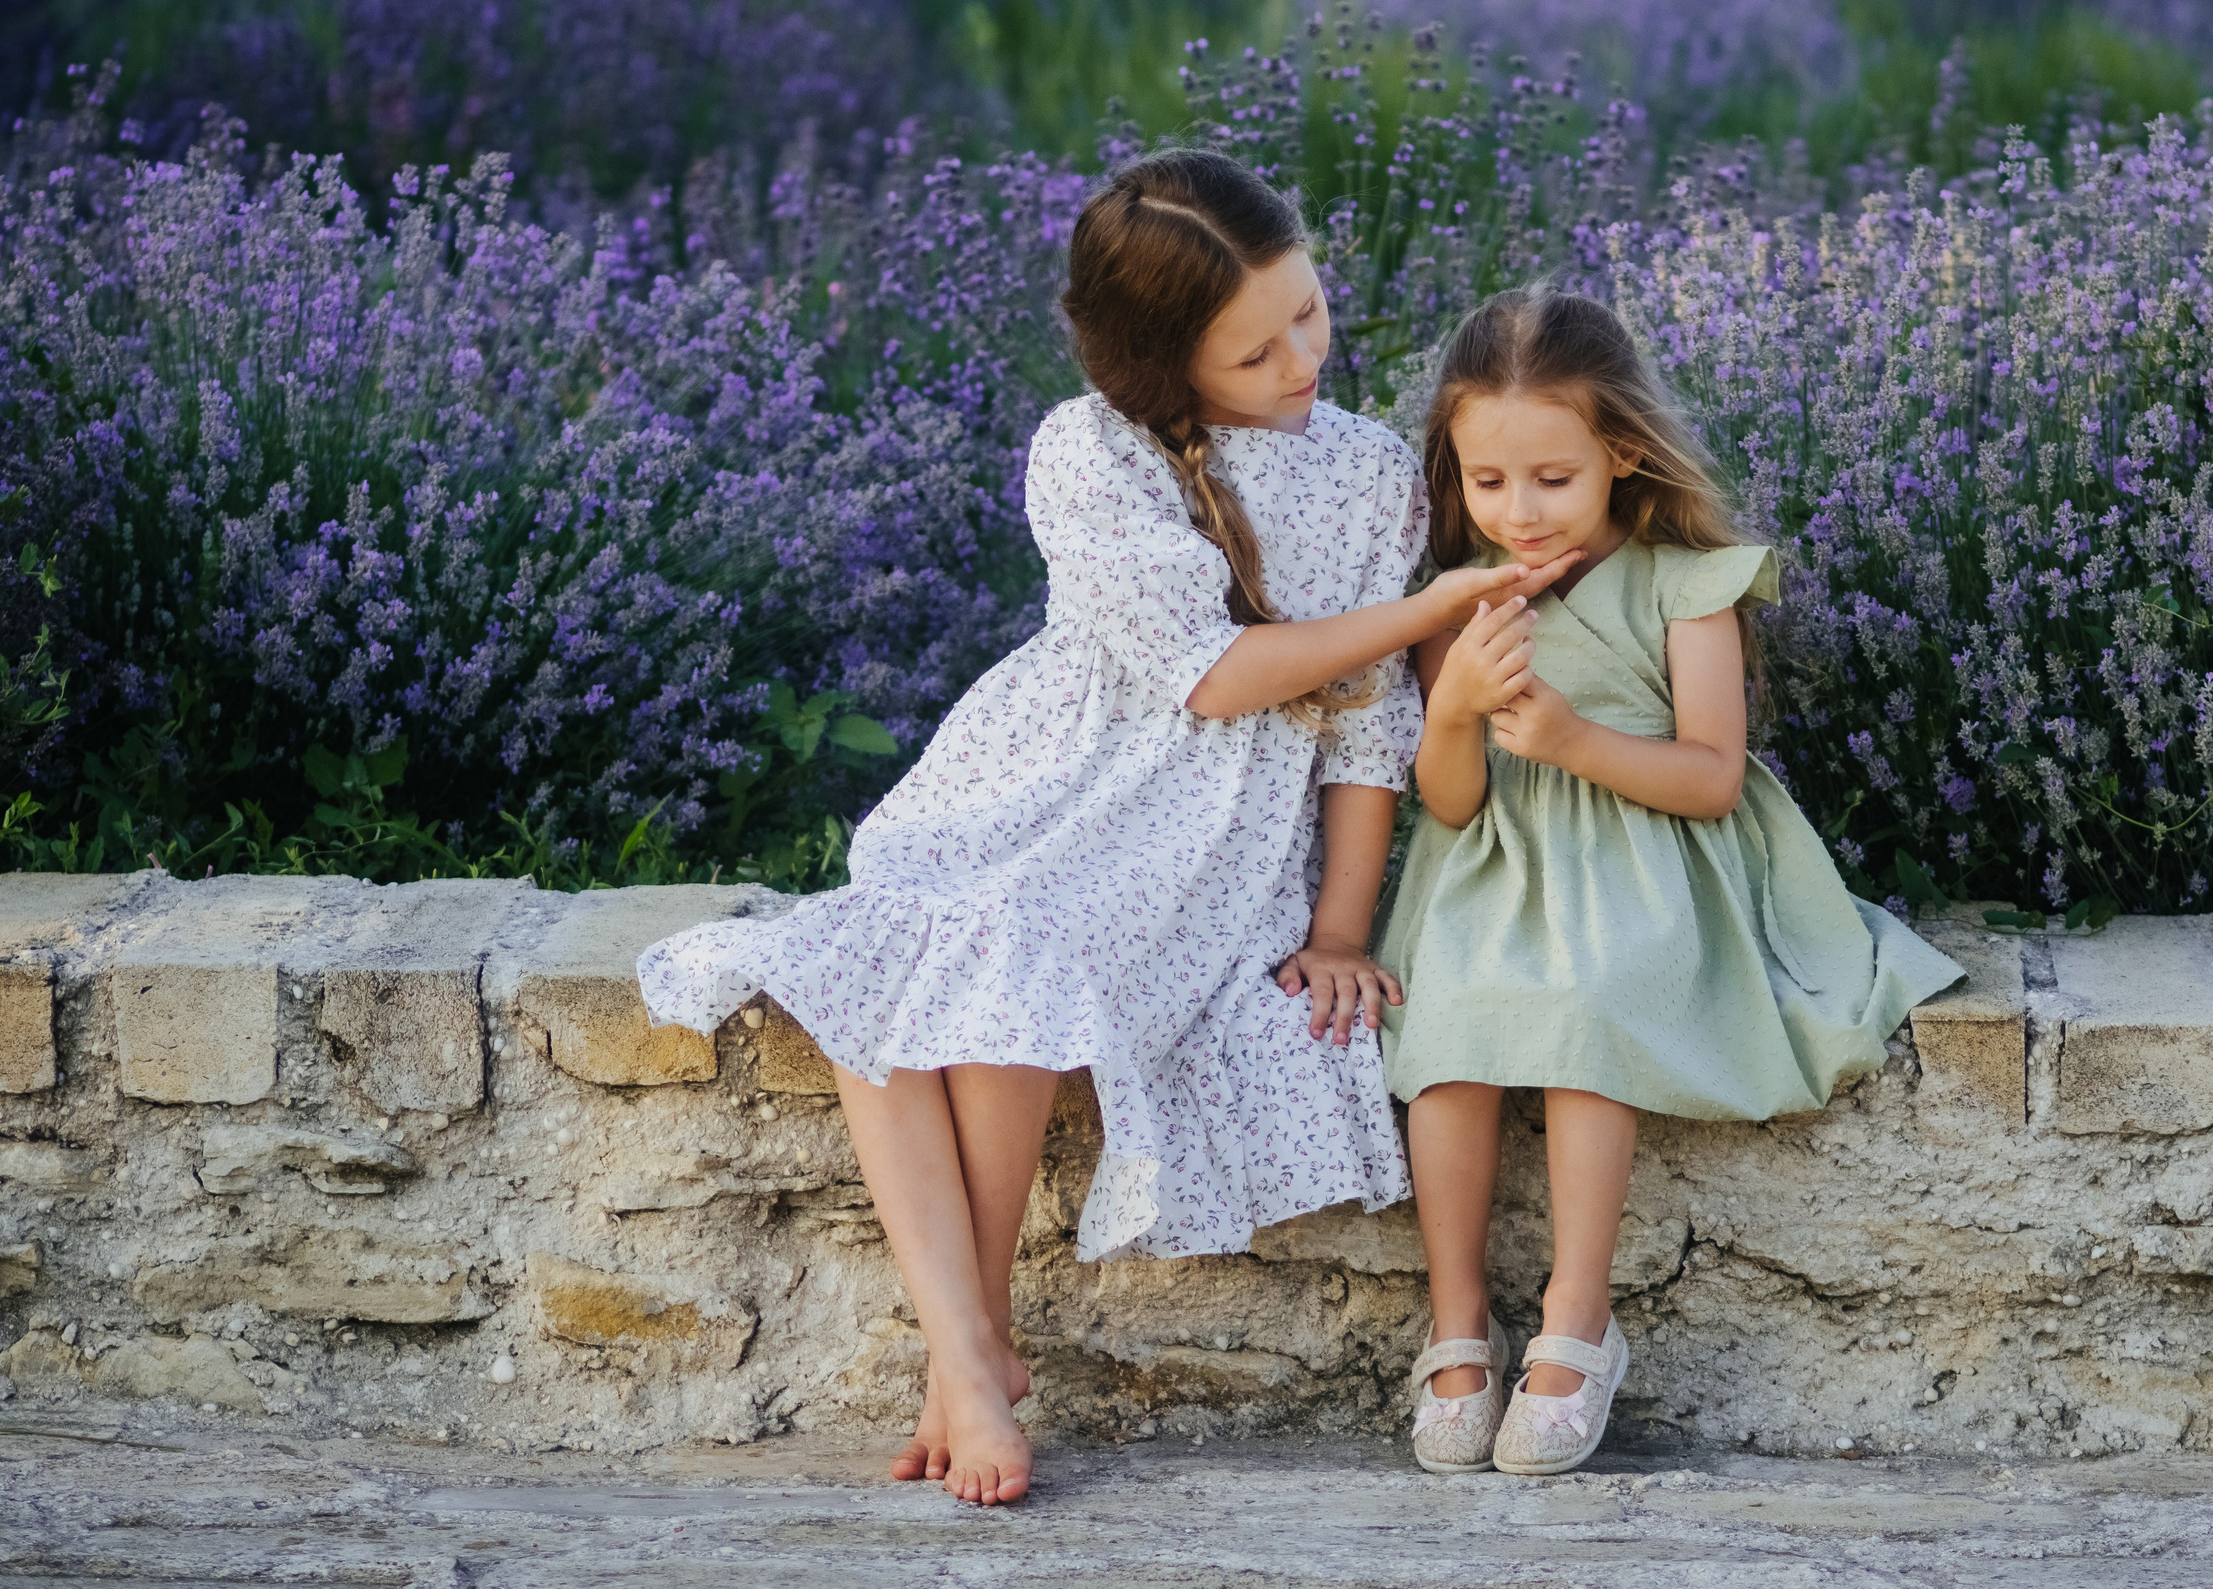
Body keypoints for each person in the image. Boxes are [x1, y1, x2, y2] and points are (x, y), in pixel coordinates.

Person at [636, 150, 1575, 1505]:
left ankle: (968, 1361)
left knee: (1013, 954)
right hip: (1047, 782)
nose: (1303, 359)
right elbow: (1216, 676)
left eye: (1308, 312)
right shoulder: (1087, 451)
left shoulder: (1371, 472)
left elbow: (1367, 735)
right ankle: (970, 1346)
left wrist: (1338, 929)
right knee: (890, 960)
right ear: (1158, 364)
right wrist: (1426, 611)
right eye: (1253, 353)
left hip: (1204, 839)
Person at [1379, 286, 1962, 1478]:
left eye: (1552, 477)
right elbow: (1451, 804)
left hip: (1650, 856)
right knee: (1448, 1032)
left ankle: (1577, 1318)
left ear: (1621, 451)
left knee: (1594, 1003)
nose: (1518, 510)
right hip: (1494, 867)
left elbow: (1709, 777)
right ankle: (1455, 1322)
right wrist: (1450, 712)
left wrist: (1573, 740)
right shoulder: (1459, 594)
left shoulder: (1685, 581)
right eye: (1488, 481)